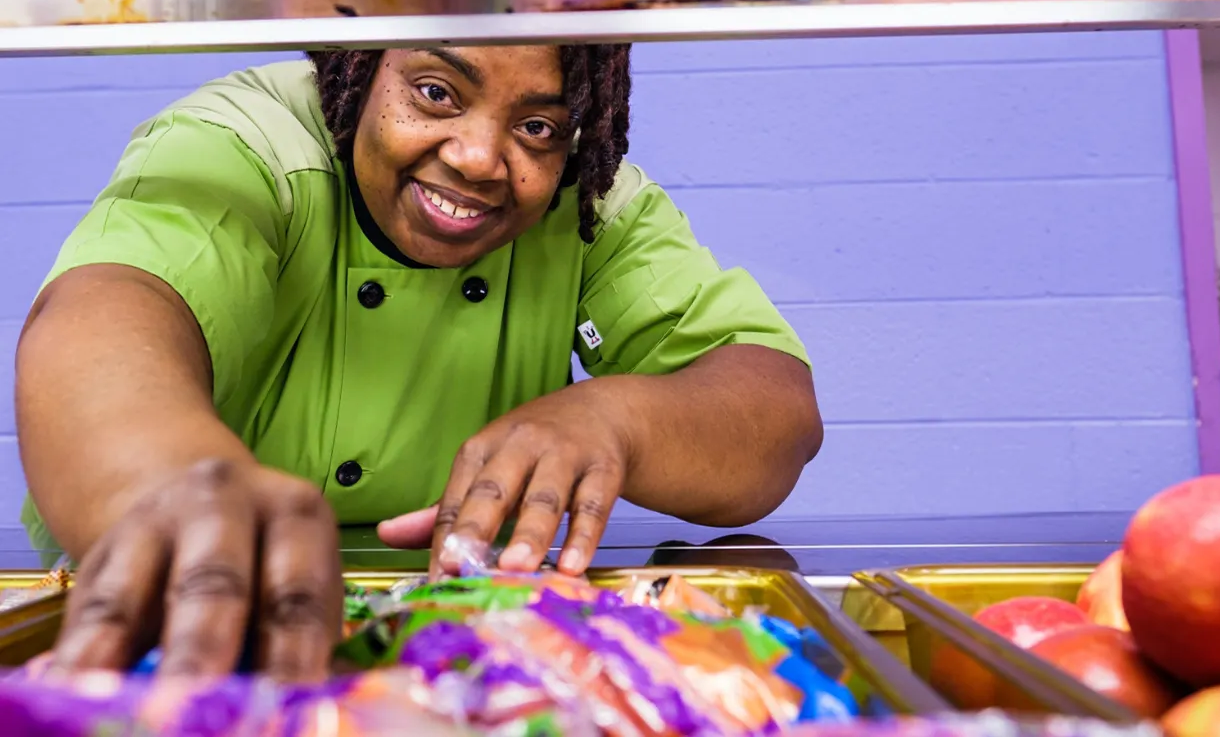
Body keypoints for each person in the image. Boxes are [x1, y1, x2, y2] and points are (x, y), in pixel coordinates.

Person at [13, 44, 823, 682]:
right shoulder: (243, 144)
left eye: (537, 127)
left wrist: (617, 417)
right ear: (359, 65)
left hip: (449, 653)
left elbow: (774, 413)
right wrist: (170, 482)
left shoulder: (585, 201)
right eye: (435, 92)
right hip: (187, 627)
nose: (478, 157)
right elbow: (99, 322)